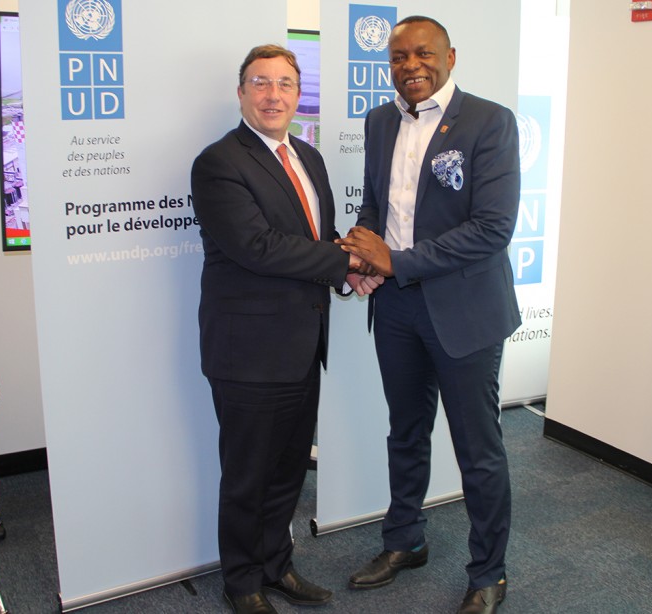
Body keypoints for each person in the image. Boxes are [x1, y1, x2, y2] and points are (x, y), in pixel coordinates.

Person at [339, 16, 521, 614]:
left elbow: (492, 230)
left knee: (478, 448)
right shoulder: (378, 119)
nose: (410, 65)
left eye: (422, 53)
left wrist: (396, 260)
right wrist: (365, 251)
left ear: (450, 56)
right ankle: (404, 541)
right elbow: (374, 200)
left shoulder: (490, 122)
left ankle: (489, 572)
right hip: (395, 307)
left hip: (463, 309)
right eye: (398, 57)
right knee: (406, 431)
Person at [190, 44, 381, 614]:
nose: (274, 95)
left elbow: (316, 239)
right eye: (261, 83)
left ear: (299, 94)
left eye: (286, 85)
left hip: (302, 344)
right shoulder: (219, 162)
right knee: (248, 475)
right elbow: (256, 247)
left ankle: (277, 565)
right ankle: (243, 582)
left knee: (288, 469)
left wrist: (350, 271)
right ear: (242, 92)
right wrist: (345, 264)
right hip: (247, 351)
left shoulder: (309, 156)